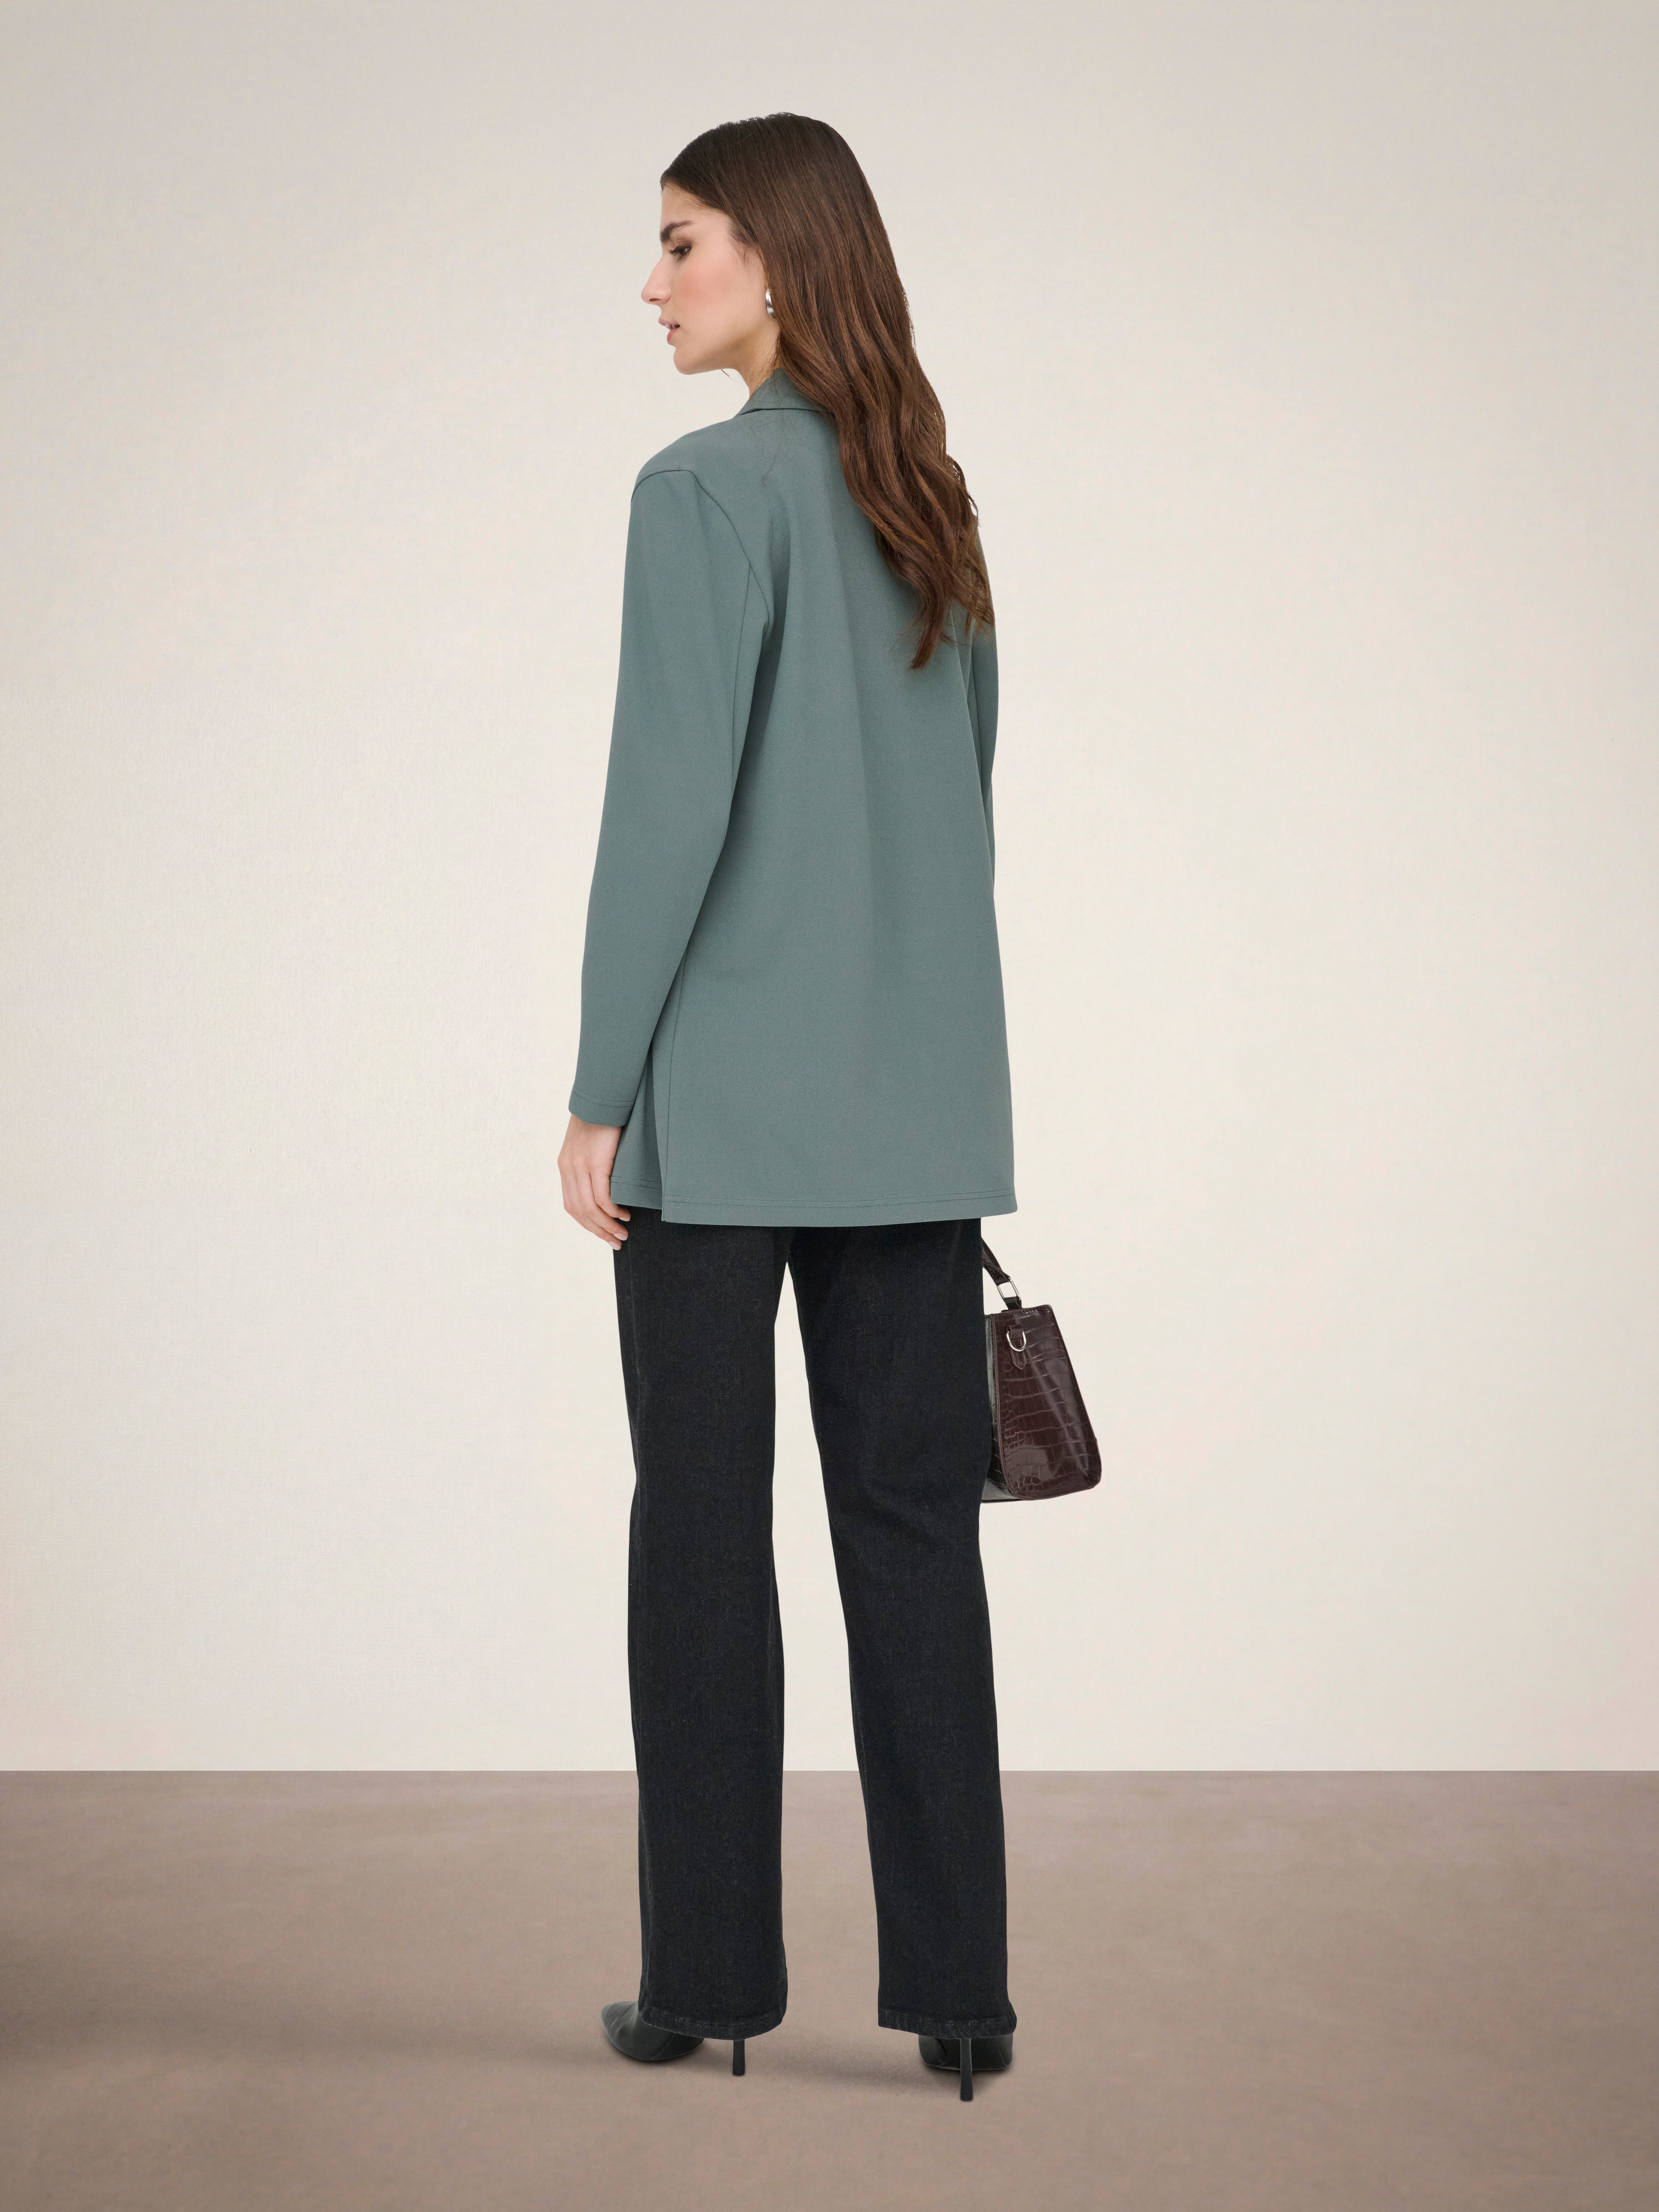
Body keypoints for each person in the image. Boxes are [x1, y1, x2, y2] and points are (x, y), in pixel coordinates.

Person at [557, 112, 1017, 2100]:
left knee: (701, 1539)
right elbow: (963, 791)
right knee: (915, 1538)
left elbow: (663, 820)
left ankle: (709, 1983)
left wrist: (599, 1093)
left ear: (778, 256)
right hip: (914, 1107)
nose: (654, 282)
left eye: (684, 241)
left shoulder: (701, 491)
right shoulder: (930, 498)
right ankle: (962, 1999)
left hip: (725, 1116)